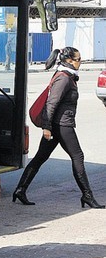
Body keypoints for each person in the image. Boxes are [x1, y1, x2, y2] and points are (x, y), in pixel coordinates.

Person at [12, 47, 104, 209]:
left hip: (57, 124)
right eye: (78, 59)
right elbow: (51, 103)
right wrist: (46, 127)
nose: (80, 62)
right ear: (69, 61)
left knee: (41, 157)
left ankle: (20, 190)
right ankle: (87, 195)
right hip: (61, 125)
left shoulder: (67, 76)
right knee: (78, 156)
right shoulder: (64, 78)